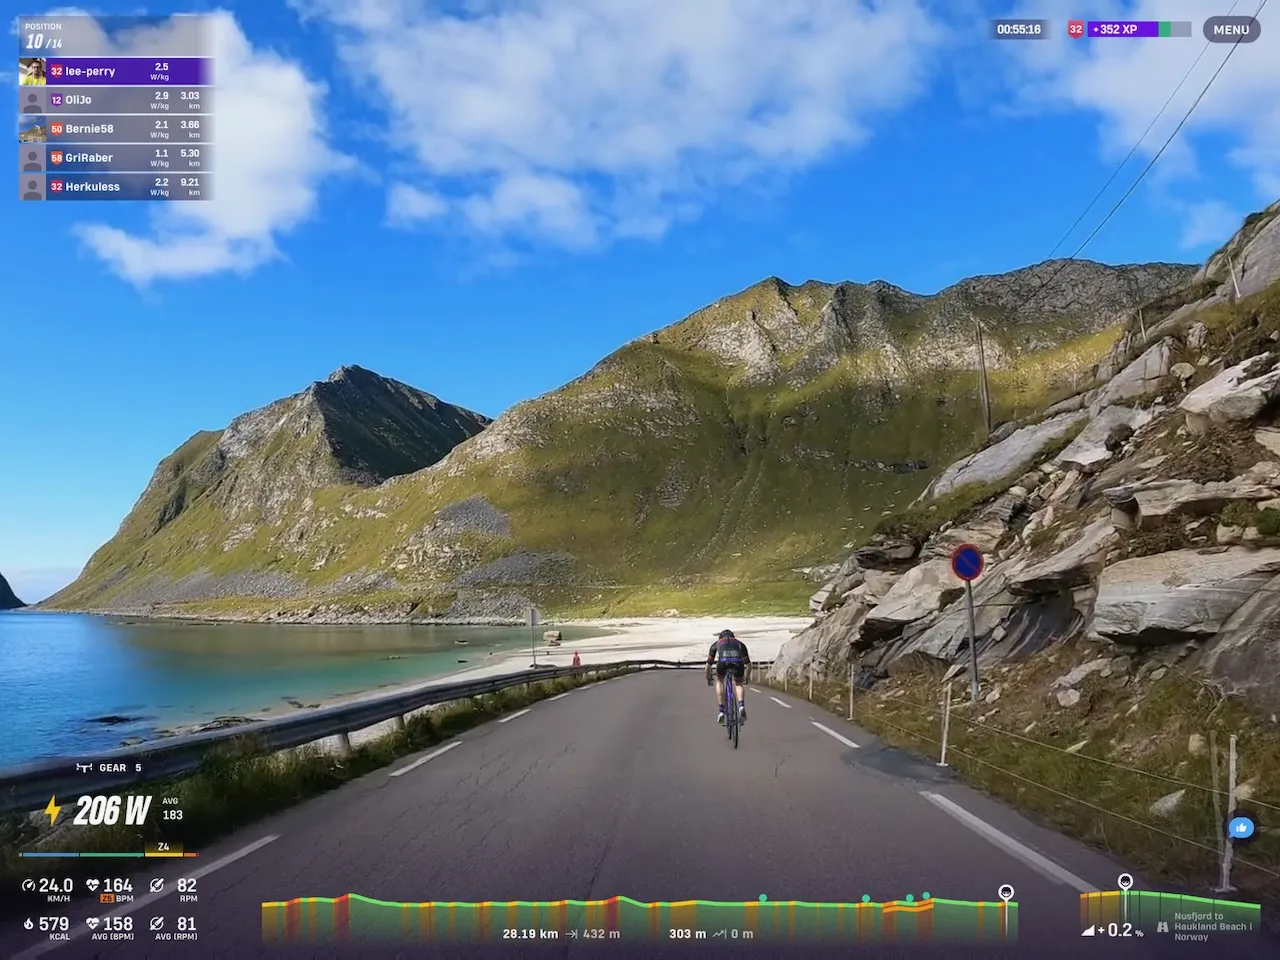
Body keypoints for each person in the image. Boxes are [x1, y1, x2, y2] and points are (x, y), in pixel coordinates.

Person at [706, 628, 749, 724]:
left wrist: (708, 678)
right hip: (738, 663)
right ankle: (741, 705)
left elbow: (708, 665)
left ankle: (721, 711)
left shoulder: (717, 644)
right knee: (738, 683)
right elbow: (748, 664)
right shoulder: (739, 644)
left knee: (720, 681)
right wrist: (747, 677)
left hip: (723, 663)